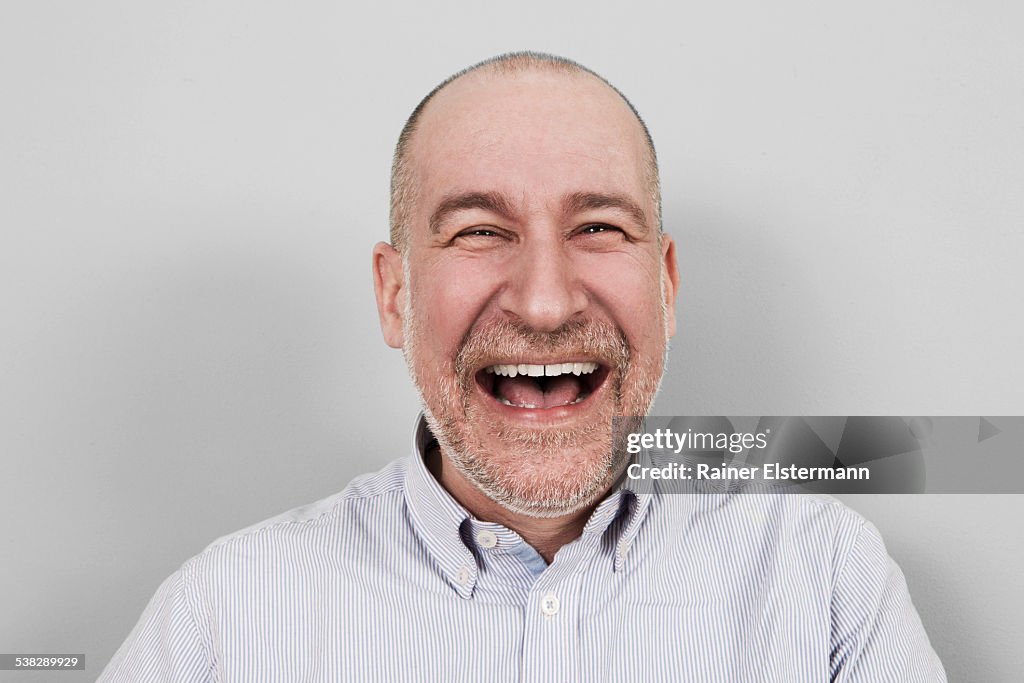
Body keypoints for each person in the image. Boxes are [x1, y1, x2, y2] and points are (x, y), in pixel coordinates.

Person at [99, 52, 946, 682]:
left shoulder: (827, 580)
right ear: (395, 295)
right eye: (478, 230)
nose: (545, 302)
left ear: (667, 285)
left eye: (600, 228)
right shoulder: (219, 619)